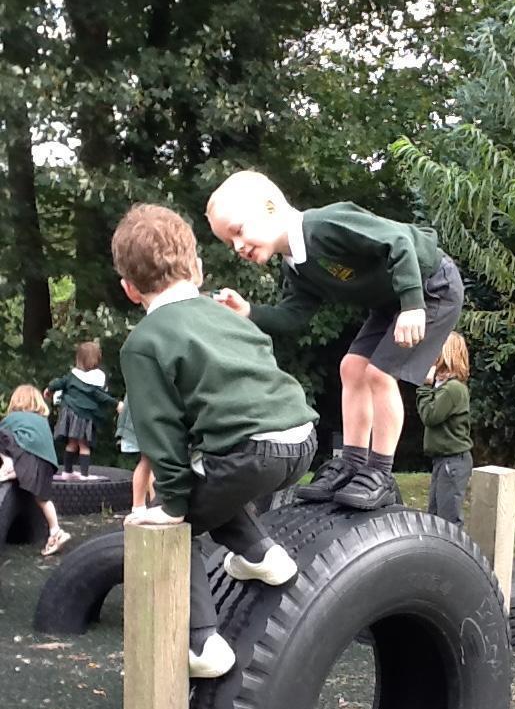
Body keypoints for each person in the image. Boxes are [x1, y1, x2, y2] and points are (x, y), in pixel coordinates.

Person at [112, 203, 318, 679]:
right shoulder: (230, 317)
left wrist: (170, 504)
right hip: (301, 439)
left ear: (129, 289)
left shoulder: (144, 342)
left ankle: (201, 644)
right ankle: (263, 555)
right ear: (199, 268)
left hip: (250, 453)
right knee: (211, 490)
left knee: (176, 521)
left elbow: (161, 429)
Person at [206, 170, 464, 510]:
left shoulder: (325, 225)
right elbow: (294, 315)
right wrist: (249, 311)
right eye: (230, 243)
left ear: (270, 207)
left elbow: (398, 242)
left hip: (431, 286)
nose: (238, 246)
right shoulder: (295, 266)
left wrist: (413, 305)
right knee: (351, 367)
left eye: (238, 231)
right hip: (389, 302)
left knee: (380, 374)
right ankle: (352, 464)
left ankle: (381, 473)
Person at [0, 385, 71, 556]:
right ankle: (56, 531)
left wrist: (7, 459)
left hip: (26, 460)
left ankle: (10, 466)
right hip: (46, 465)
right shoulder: (42, 421)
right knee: (43, 499)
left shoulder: (14, 418)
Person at [415, 331, 473, 526]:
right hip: (444, 460)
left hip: (453, 460)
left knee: (448, 521)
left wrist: (424, 387)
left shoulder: (452, 389)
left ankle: (455, 547)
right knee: (435, 518)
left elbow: (430, 416)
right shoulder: (445, 386)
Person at [45, 342, 122, 479]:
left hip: (68, 413)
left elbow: (59, 382)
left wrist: (49, 389)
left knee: (72, 443)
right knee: (84, 445)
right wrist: (116, 404)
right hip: (84, 416)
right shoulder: (95, 380)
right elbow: (101, 396)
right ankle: (84, 474)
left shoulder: (72, 376)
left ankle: (67, 472)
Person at [115, 398, 155, 514]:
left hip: (138, 416)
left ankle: (140, 507)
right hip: (145, 416)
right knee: (153, 462)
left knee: (148, 461)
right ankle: (153, 506)